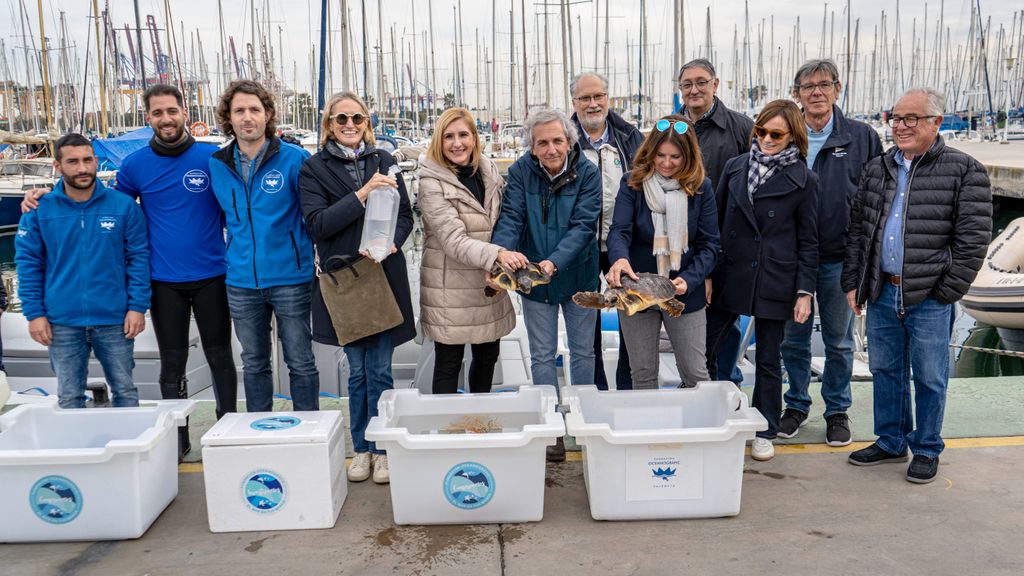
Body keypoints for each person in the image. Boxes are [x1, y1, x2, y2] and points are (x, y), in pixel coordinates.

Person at [843, 87, 992, 484]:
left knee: (929, 375)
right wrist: (854, 282)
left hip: (929, 296)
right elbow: (859, 231)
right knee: (886, 370)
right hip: (882, 290)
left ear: (936, 122)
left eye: (911, 118)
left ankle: (926, 447)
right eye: (896, 118)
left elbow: (973, 240)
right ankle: (891, 440)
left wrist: (946, 291)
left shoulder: (965, 170)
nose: (901, 127)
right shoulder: (878, 168)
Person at [299, 91, 415, 484]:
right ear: (329, 124)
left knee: (380, 369)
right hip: (346, 281)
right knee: (358, 371)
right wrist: (362, 195)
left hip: (383, 275)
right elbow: (317, 225)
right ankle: (361, 448)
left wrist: (393, 241)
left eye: (357, 119)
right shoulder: (313, 169)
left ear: (368, 123)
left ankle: (381, 448)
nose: (350, 125)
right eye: (341, 119)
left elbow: (406, 215)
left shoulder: (384, 160)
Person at [705, 100, 819, 462]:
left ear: (792, 136)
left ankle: (765, 428)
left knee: (770, 358)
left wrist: (805, 291)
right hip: (730, 271)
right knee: (706, 347)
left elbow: (809, 239)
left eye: (776, 133)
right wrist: (708, 273)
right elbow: (716, 223)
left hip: (775, 275)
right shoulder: (735, 167)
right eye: (761, 131)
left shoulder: (804, 179)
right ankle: (711, 416)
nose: (767, 139)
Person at [777, 60, 883, 446]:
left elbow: (876, 198)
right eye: (808, 86)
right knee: (793, 340)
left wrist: (866, 255)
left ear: (838, 89)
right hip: (792, 260)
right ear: (797, 93)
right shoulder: (784, 135)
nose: (816, 92)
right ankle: (796, 406)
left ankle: (837, 410)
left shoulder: (862, 137)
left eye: (824, 85)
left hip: (841, 258)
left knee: (839, 341)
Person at [491, 107, 601, 462]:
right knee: (541, 354)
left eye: (557, 140)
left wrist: (556, 261)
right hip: (535, 280)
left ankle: (585, 425)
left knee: (583, 352)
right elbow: (511, 216)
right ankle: (551, 429)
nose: (551, 149)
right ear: (532, 147)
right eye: (542, 143)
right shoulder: (521, 171)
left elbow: (585, 227)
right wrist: (505, 251)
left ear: (569, 141)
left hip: (578, 275)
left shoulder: (588, 172)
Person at [208, 79, 319, 413]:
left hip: (290, 277)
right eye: (239, 110)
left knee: (300, 360)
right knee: (254, 362)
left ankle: (307, 428)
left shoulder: (295, 158)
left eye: (254, 110)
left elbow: (315, 214)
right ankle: (258, 430)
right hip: (241, 281)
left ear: (267, 114)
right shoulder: (217, 164)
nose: (247, 117)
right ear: (229, 117)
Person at [15, 133, 150, 409]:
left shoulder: (123, 206)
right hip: (62, 321)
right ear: (57, 166)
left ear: (96, 161)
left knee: (125, 391)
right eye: (73, 162)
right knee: (69, 397)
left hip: (114, 320)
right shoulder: (39, 210)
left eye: (88, 160)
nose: (82, 168)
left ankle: (130, 451)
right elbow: (28, 264)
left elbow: (139, 259)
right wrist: (35, 314)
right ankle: (76, 451)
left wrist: (137, 307)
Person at [606, 116, 720, 389]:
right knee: (642, 372)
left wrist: (690, 280)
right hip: (637, 289)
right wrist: (620, 259)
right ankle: (649, 431)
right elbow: (619, 230)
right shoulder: (631, 183)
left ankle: (697, 428)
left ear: (689, 156)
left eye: (675, 157)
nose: (666, 163)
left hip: (684, 293)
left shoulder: (702, 188)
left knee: (695, 373)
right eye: (660, 155)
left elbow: (709, 245)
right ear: (650, 152)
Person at [417, 108, 515, 394]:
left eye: (463, 135)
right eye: (449, 136)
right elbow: (453, 240)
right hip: (450, 289)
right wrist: (497, 255)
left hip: (489, 283)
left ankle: (479, 426)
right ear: (439, 141)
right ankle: (447, 432)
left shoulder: (489, 171)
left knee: (487, 359)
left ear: (474, 138)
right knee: (449, 364)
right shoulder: (430, 181)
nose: (457, 143)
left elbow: (504, 220)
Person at [676, 58, 755, 385]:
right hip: (680, 244)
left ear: (715, 84)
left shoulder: (741, 127)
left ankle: (727, 385)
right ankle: (695, 384)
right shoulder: (670, 127)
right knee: (688, 317)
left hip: (727, 243)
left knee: (725, 319)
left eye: (701, 82)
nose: (694, 90)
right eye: (687, 84)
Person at [570, 72, 644, 391]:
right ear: (573, 102)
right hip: (580, 246)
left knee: (632, 320)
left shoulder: (630, 137)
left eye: (598, 96)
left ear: (607, 98)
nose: (593, 103)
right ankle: (595, 393)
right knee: (586, 324)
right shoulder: (564, 140)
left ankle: (628, 392)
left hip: (624, 245)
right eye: (585, 98)